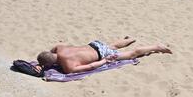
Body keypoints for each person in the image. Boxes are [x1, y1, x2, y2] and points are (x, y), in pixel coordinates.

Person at [36, 37, 172, 74]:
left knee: (131, 54)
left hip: (101, 54)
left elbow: (90, 66)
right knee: (111, 46)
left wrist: (105, 61)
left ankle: (156, 47)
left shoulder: (68, 66)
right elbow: (57, 46)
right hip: (94, 44)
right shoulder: (58, 48)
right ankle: (128, 39)